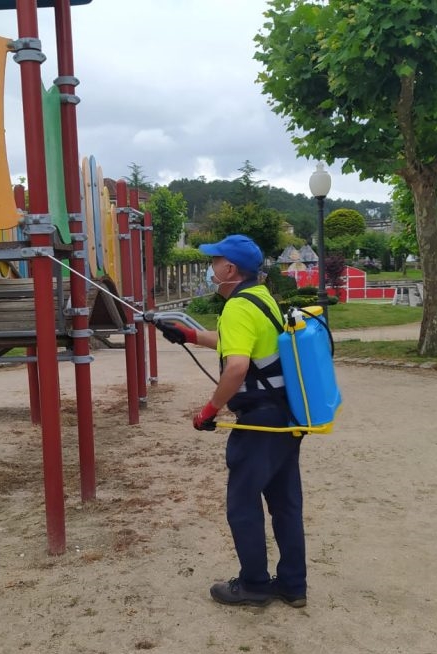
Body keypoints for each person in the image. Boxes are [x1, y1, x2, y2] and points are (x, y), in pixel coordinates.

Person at [156, 234, 307, 609]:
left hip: (259, 423)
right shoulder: (260, 297)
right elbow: (237, 342)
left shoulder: (238, 307)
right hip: (285, 416)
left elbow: (237, 366)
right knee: (285, 504)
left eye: (214, 261)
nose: (210, 269)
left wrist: (210, 409)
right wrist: (189, 335)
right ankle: (293, 585)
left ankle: (254, 585)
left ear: (230, 269)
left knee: (242, 503)